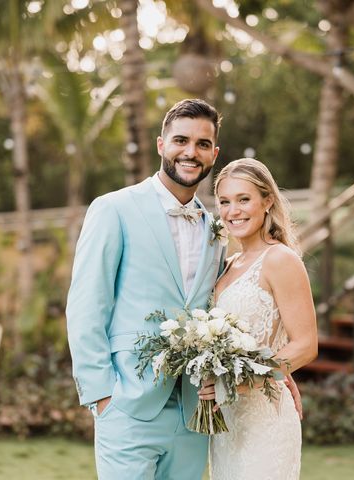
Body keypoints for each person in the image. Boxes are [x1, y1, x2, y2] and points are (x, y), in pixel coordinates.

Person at [66, 98, 227, 479]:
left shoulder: (217, 229)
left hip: (193, 413)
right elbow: (87, 304)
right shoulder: (114, 208)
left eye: (203, 144)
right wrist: (102, 396)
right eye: (181, 140)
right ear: (161, 145)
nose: (191, 152)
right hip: (127, 405)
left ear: (214, 154)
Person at [199, 158, 318, 480]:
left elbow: (306, 346)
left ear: (267, 201)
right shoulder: (227, 264)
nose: (232, 211)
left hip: (265, 419)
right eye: (224, 201)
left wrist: (239, 380)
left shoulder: (280, 259)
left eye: (243, 199)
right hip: (228, 421)